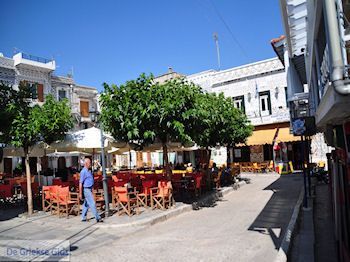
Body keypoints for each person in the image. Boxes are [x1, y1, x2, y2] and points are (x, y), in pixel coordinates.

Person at [79, 158, 103, 223]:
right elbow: (80, 183)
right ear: (86, 163)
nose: (90, 164)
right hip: (86, 189)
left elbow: (90, 181)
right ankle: (98, 217)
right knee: (92, 203)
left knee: (86, 204)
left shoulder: (89, 171)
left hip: (89, 188)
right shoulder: (83, 172)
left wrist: (92, 189)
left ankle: (83, 217)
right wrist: (80, 193)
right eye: (89, 163)